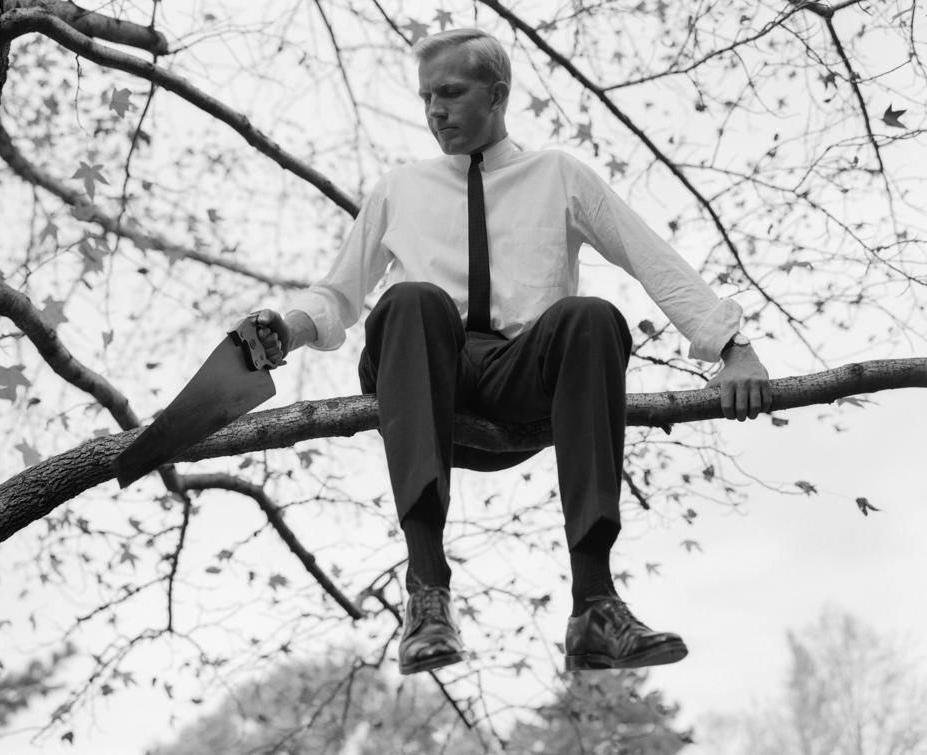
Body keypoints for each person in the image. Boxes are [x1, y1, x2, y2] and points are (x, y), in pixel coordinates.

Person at [251, 28, 770, 675]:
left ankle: (593, 606)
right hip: (418, 369)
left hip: (516, 378)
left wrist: (732, 346)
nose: (434, 110)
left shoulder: (558, 175)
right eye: (425, 97)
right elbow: (338, 294)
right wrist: (288, 328)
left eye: (449, 92)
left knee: (592, 317)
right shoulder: (400, 188)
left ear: (496, 94)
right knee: (415, 299)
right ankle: (427, 591)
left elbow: (648, 255)